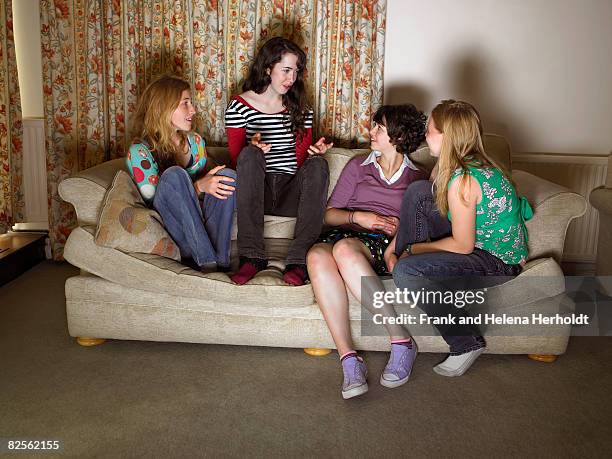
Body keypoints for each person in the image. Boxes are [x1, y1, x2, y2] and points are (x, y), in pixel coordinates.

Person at [389, 99, 533, 377]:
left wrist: (416, 249)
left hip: (496, 263)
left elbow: (463, 245)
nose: (425, 136)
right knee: (419, 191)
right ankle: (407, 270)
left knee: (407, 270)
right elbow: (434, 189)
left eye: (430, 130)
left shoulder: (464, 181)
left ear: (447, 137)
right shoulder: (474, 165)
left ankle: (465, 342)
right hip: (483, 245)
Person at [306, 104, 429, 399]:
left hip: (380, 246)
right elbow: (329, 214)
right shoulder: (357, 167)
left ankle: (400, 340)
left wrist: (398, 233)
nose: (370, 132)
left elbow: (421, 223)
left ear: (398, 136)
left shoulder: (418, 178)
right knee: (316, 255)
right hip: (346, 231)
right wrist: (357, 217)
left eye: (379, 128)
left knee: (346, 250)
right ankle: (349, 359)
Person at [225, 36, 333, 286]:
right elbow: (236, 160)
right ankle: (251, 257)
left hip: (289, 192)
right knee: (250, 155)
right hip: (256, 191)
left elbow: (300, 161)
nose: (291, 78)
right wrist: (252, 149)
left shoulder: (301, 109)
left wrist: (315, 152)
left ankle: (299, 261)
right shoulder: (239, 106)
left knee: (318, 165)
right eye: (285, 70)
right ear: (267, 68)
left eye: (295, 71)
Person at [126, 74, 237, 272]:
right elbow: (155, 202)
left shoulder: (194, 143)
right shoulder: (140, 152)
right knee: (175, 175)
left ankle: (220, 262)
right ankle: (207, 263)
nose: (193, 110)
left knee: (227, 176)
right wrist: (198, 187)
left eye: (191, 103)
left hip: (202, 227)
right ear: (163, 108)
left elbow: (211, 185)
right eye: (185, 103)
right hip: (176, 232)